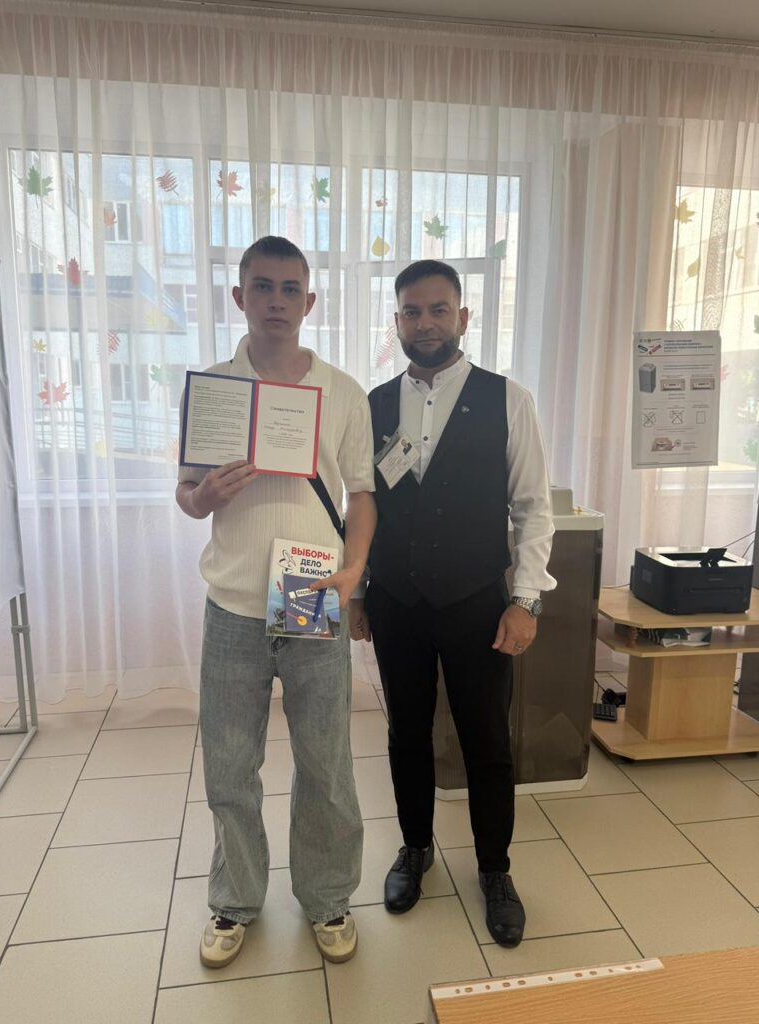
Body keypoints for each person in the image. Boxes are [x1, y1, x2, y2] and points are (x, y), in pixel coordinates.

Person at [176, 236, 376, 968]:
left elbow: (362, 495)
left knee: (325, 761)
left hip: (308, 589)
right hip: (232, 600)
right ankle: (234, 900)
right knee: (230, 764)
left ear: (310, 301)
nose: (276, 302)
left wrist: (354, 571)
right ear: (239, 296)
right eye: (262, 286)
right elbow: (185, 495)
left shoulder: (342, 391)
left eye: (291, 289)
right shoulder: (213, 389)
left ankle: (327, 898)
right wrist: (204, 494)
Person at [349, 259, 555, 949]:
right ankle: (415, 849)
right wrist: (358, 591)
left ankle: (495, 869)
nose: (426, 322)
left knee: (486, 740)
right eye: (412, 311)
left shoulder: (508, 399)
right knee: (406, 735)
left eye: (439, 309)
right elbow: (360, 505)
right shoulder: (374, 405)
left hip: (477, 602)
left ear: (463, 317)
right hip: (397, 602)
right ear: (397, 322)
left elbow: (533, 508)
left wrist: (525, 599)